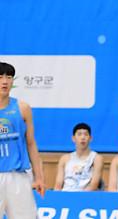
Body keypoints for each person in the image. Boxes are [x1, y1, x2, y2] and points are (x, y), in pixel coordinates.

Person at [0, 61, 45, 219]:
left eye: (9, 77)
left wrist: (39, 177)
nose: (5, 81)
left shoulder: (22, 108)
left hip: (17, 177)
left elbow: (31, 143)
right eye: (0, 77)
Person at [55, 122, 104, 191]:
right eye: (79, 134)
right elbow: (58, 185)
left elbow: (94, 185)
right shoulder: (64, 159)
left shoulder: (97, 158)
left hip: (86, 195)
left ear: (90, 138)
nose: (83, 137)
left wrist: (80, 196)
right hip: (65, 194)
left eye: (86, 134)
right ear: (73, 138)